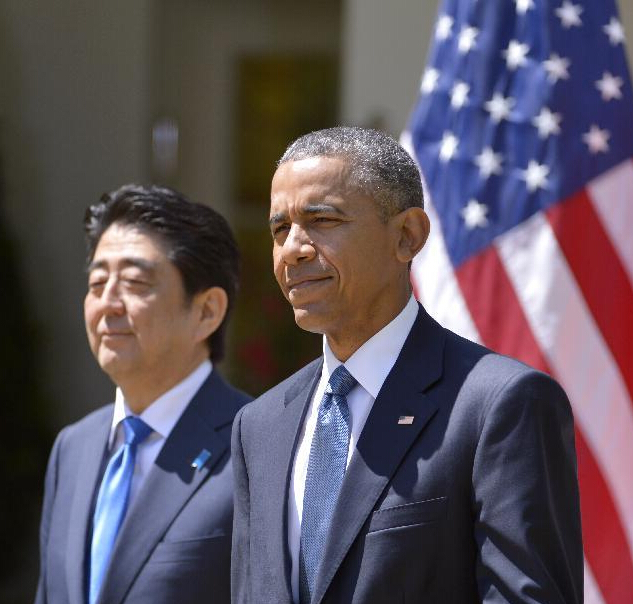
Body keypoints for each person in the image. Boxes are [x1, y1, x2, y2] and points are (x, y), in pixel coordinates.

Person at [231, 127, 583, 603]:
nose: (293, 248)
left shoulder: (499, 406)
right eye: (279, 230)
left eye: (322, 220)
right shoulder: (259, 426)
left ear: (407, 236)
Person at [35, 185, 251, 604]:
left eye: (134, 282)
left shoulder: (254, 446)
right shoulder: (72, 448)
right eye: (97, 283)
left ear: (207, 311)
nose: (108, 304)